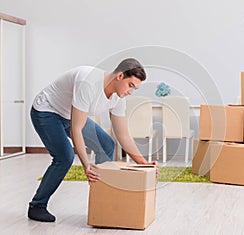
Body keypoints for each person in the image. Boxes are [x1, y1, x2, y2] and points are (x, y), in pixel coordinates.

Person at [28, 58, 157, 222]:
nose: (131, 91)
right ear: (120, 76)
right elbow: (76, 130)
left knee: (106, 144)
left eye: (135, 88)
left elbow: (123, 135)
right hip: (47, 110)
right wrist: (86, 165)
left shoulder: (118, 98)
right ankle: (37, 205)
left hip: (69, 115)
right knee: (65, 157)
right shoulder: (88, 83)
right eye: (130, 85)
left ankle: (102, 201)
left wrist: (142, 162)